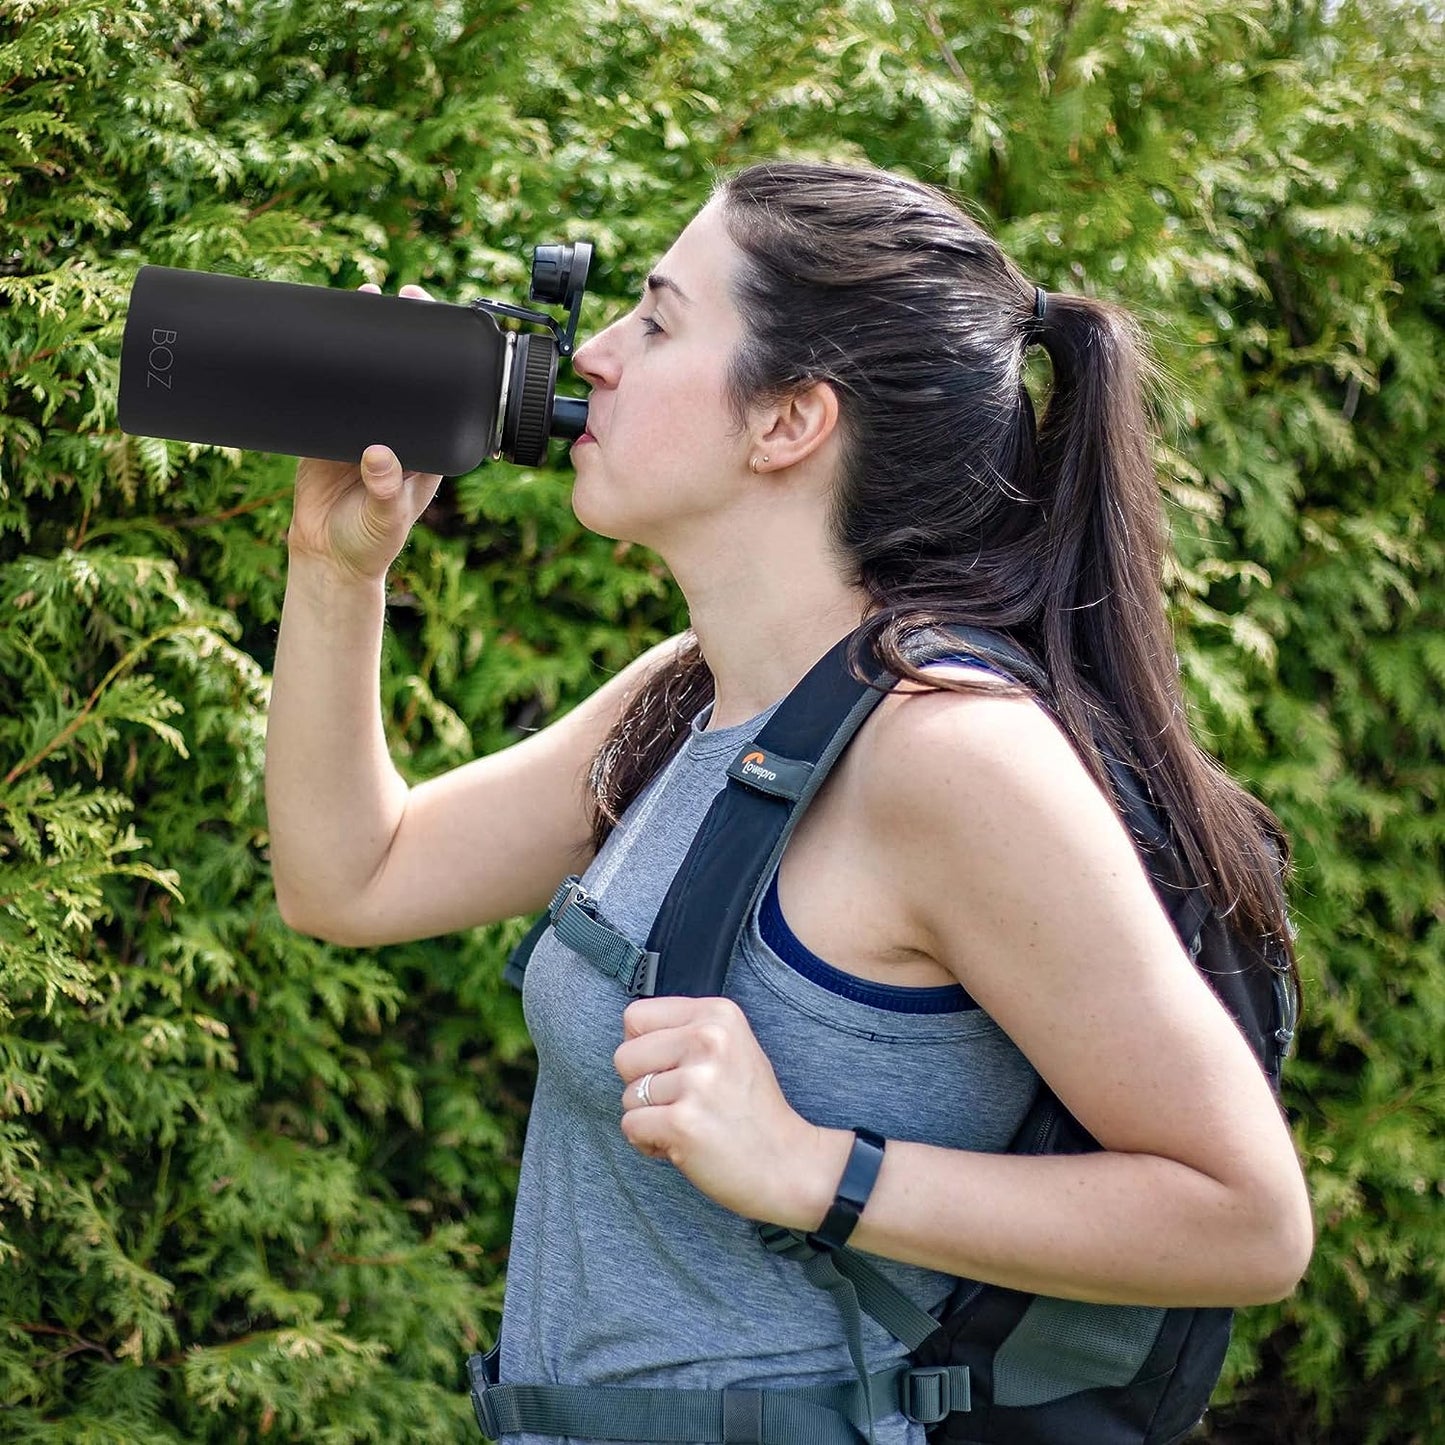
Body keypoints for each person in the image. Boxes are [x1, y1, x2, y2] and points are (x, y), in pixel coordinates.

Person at [264, 161, 1314, 1444]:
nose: (592, 353)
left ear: (787, 422)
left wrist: (815, 1168)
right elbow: (352, 877)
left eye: (656, 320)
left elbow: (1246, 1217)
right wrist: (335, 567)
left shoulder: (950, 756)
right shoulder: (697, 691)